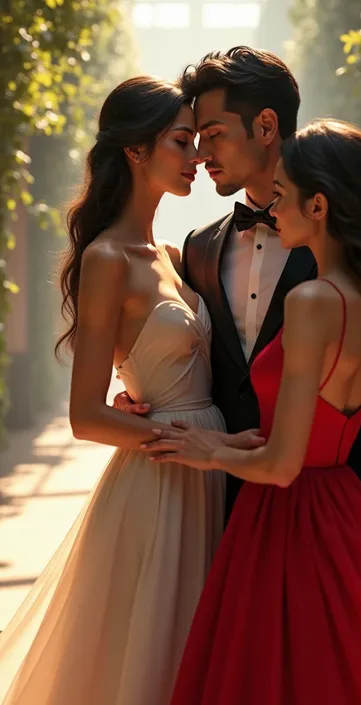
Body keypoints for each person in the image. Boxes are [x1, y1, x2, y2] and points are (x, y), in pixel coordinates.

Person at [152, 119, 361, 705]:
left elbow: (281, 466)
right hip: (342, 510)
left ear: (318, 204)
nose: (274, 211)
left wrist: (210, 451)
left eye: (283, 197)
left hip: (287, 518)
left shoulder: (310, 302)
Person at [0, 76, 261, 705]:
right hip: (160, 484)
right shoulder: (107, 258)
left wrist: (215, 446)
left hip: (207, 473)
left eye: (199, 142)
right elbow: (86, 417)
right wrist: (203, 439)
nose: (197, 156)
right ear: (136, 151)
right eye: (181, 142)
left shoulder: (173, 254)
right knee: (151, 656)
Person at [123, 46, 361, 523]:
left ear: (267, 126)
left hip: (329, 513)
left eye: (213, 134)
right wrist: (140, 398)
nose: (201, 153)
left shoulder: (359, 251)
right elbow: (190, 363)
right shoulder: (199, 250)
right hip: (212, 509)